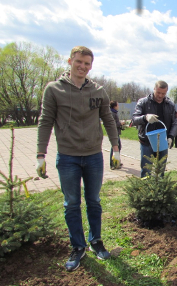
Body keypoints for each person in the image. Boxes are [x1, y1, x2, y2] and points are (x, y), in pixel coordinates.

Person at [36, 46, 120, 271]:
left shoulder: (98, 91)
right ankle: (78, 246)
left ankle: (96, 242)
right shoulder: (54, 90)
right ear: (70, 61)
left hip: (93, 156)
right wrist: (40, 154)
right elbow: (45, 121)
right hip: (68, 157)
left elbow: (108, 120)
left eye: (87, 63)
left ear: (91, 66)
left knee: (94, 201)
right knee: (71, 203)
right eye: (79, 62)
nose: (83, 66)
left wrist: (116, 147)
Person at [132, 80, 177, 177]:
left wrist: (171, 136)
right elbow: (134, 119)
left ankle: (159, 190)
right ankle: (145, 190)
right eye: (158, 92)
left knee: (160, 171)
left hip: (163, 141)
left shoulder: (170, 105)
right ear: (154, 89)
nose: (160, 96)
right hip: (146, 141)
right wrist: (145, 117)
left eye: (163, 93)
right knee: (146, 170)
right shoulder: (143, 102)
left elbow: (174, 123)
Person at [110, 101, 125, 170]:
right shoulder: (112, 113)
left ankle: (117, 161)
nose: (118, 106)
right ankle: (113, 164)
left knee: (118, 147)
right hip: (114, 133)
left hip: (117, 132)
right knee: (115, 147)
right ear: (114, 106)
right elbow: (113, 124)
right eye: (118, 105)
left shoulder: (114, 112)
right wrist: (120, 123)